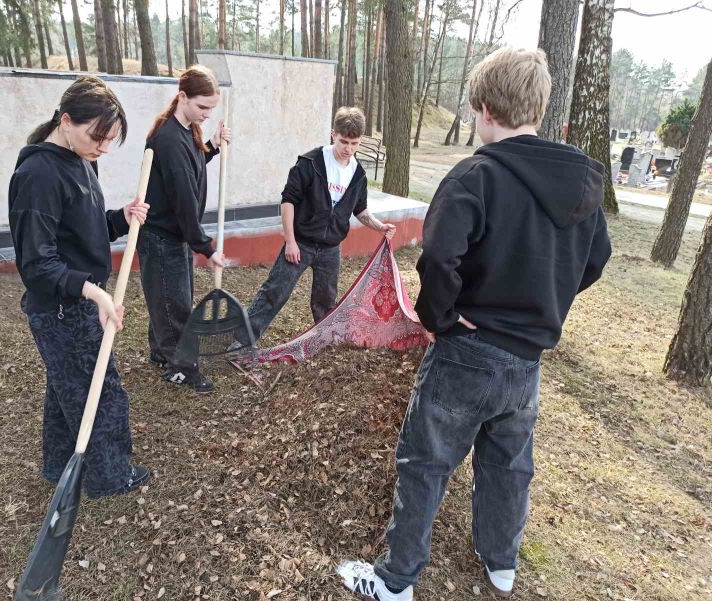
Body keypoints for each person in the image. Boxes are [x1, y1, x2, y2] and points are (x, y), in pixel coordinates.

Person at [336, 48, 612, 599]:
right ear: (538, 107)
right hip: (527, 360)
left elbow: (440, 258)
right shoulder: (578, 182)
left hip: (468, 350)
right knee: (510, 463)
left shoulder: (476, 175)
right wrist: (544, 303)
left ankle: (395, 580)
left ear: (485, 109)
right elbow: (596, 259)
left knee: (426, 460)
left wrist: (440, 317)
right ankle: (501, 562)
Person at [9, 75, 151, 498]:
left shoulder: (81, 158)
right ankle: (110, 477)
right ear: (66, 120)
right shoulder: (37, 176)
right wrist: (95, 292)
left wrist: (119, 218)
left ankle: (57, 464)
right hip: (61, 310)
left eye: (109, 141)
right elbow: (37, 265)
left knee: (65, 388)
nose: (102, 148)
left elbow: (82, 230)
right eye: (97, 137)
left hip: (78, 300)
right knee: (100, 392)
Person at [238, 106, 396, 349]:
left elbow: (360, 210)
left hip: (331, 248)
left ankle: (325, 341)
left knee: (325, 300)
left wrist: (379, 226)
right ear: (333, 134)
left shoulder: (358, 174)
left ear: (360, 141)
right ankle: (241, 342)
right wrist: (290, 241)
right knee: (275, 292)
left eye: (354, 144)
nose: (348, 149)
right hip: (300, 243)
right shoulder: (310, 162)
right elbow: (288, 201)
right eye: (344, 142)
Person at [138, 65, 231, 394]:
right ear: (182, 97)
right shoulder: (168, 139)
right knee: (173, 303)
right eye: (202, 107)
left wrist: (212, 146)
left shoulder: (185, 130)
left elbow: (192, 167)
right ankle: (180, 367)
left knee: (165, 295)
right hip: (163, 235)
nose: (207, 114)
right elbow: (183, 200)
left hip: (172, 233)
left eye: (211, 108)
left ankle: (160, 351)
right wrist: (205, 246)